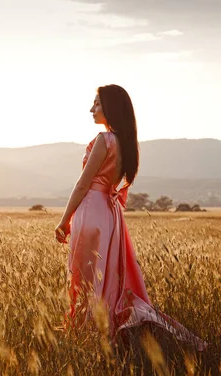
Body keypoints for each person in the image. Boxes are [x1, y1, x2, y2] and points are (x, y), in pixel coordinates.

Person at [54, 84, 206, 351]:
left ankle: (89, 334)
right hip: (110, 216)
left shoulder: (103, 140)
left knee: (85, 277)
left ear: (111, 107)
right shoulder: (127, 143)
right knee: (107, 277)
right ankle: (105, 330)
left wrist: (64, 220)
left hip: (90, 211)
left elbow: (82, 184)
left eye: (97, 104)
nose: (92, 109)